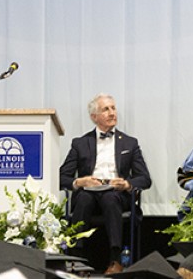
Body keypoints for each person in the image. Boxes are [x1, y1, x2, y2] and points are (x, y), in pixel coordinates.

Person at [59, 93, 152, 275]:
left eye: (113, 108)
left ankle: (115, 260)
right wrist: (80, 181)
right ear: (94, 117)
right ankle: (77, 261)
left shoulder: (130, 143)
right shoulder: (80, 143)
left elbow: (144, 178)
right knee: (84, 198)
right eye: (105, 109)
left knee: (110, 198)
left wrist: (126, 184)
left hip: (116, 194)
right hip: (88, 193)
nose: (111, 113)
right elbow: (61, 176)